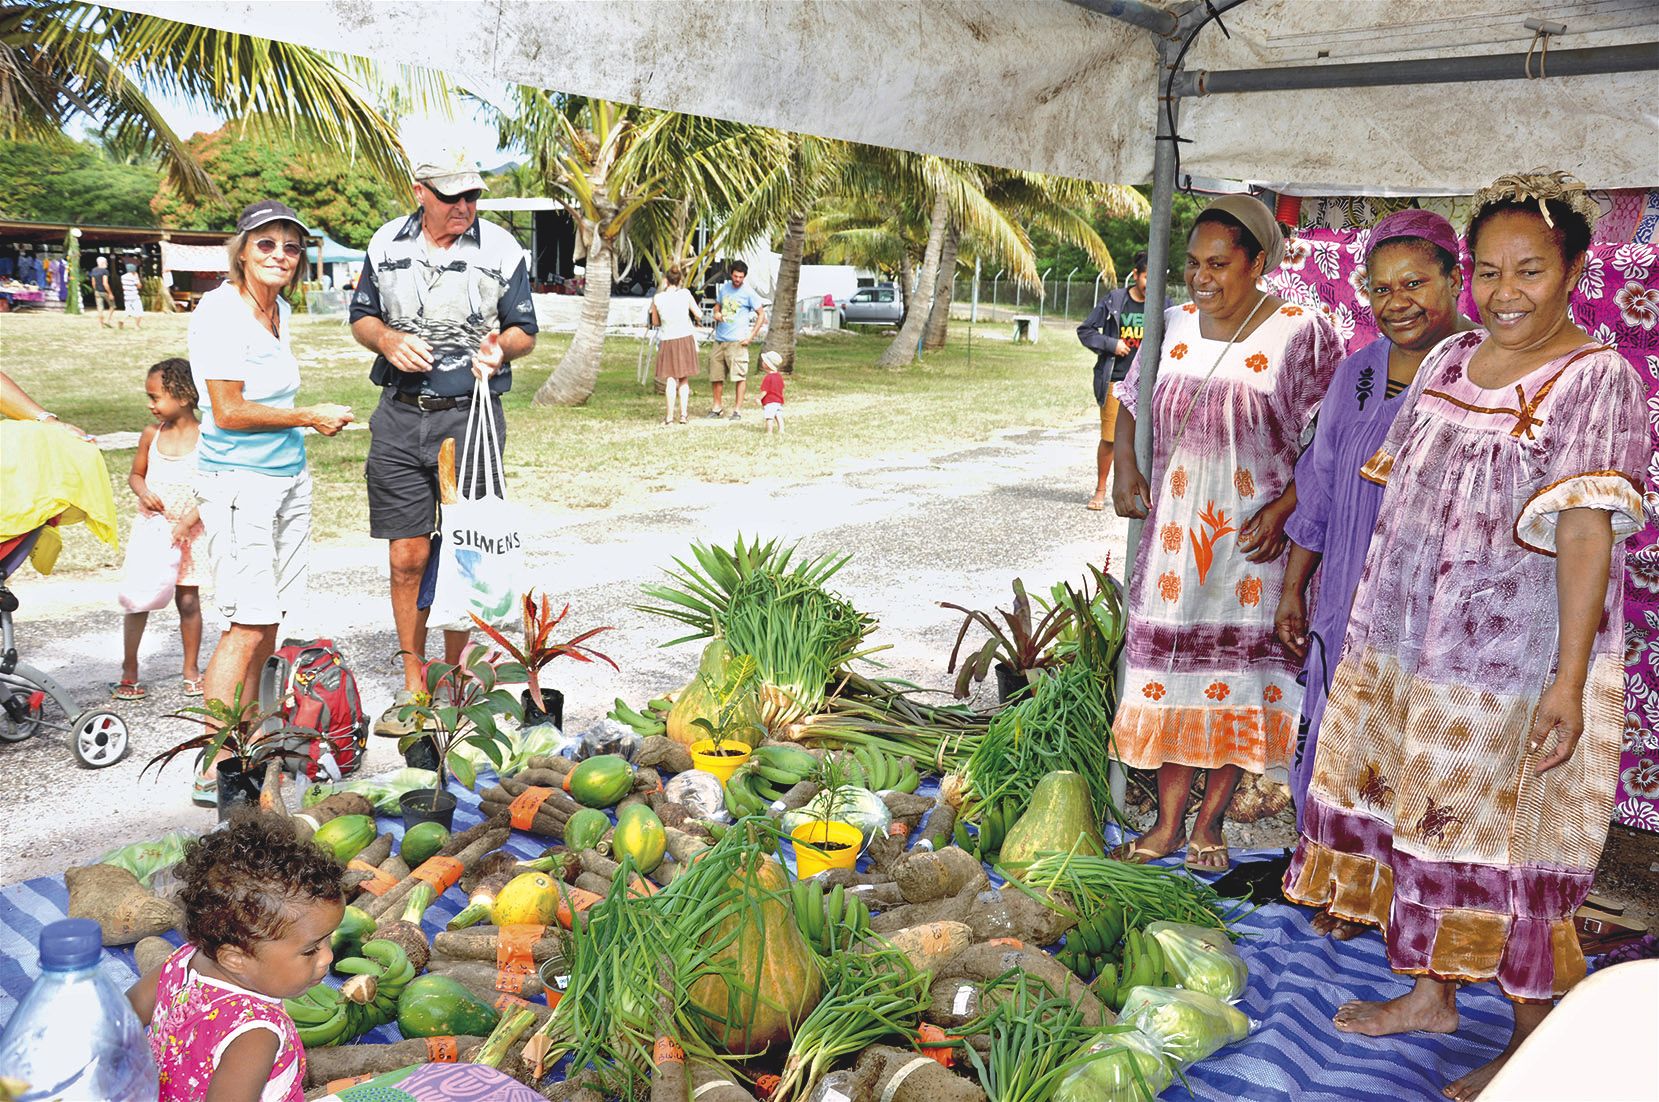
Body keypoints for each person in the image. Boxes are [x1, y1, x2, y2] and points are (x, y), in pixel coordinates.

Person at [1281, 173, 1648, 1102]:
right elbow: (1407, 500)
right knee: (1424, 819)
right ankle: (1431, 997)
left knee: (1509, 847)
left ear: (1573, 268)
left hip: (1513, 666)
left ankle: (1532, 1045)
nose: (1504, 293)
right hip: (1410, 647)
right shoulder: (1447, 363)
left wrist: (1566, 683)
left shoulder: (1595, 378)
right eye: (1487, 272)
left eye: (1529, 270)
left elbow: (1582, 533)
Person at [1110, 193, 1342, 871]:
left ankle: (1208, 825)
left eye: (1218, 263)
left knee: (1235, 680)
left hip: (1251, 545)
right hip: (1172, 543)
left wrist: (1285, 509)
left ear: (1258, 263)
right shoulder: (1170, 323)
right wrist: (1124, 464)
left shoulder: (1301, 331)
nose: (1201, 278)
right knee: (1171, 681)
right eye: (1192, 263)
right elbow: (1128, 402)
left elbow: (1328, 440)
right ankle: (1164, 825)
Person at [1272, 210, 1474, 943]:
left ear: (1455, 281)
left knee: (1408, 750)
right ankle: (1339, 883)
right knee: (1335, 742)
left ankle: (1403, 896)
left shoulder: (1478, 371)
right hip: (1342, 605)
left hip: (1428, 612)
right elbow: (1319, 484)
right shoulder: (1357, 370)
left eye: (1414, 283)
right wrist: (1295, 587)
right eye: (1380, 287)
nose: (1396, 302)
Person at [349, 152, 538, 733]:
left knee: (470, 549)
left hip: (471, 420)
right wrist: (384, 340)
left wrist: (501, 347)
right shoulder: (385, 243)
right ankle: (414, 681)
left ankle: (457, 678)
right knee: (407, 555)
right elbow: (361, 316)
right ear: (420, 192)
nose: (464, 208)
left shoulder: (502, 249)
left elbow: (524, 329)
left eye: (472, 197)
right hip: (401, 417)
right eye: (452, 197)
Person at [189, 200, 353, 804]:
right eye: (266, 244)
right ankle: (216, 762)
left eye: (291, 245)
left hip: (286, 478)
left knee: (272, 619)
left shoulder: (277, 307)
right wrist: (307, 416)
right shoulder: (220, 312)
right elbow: (228, 411)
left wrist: (298, 431)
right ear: (241, 249)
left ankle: (251, 739)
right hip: (239, 484)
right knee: (245, 623)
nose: (280, 255)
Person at [128, 813, 344, 1101]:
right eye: (310, 950)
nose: (327, 957)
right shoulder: (255, 1033)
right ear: (235, 959)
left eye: (328, 940)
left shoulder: (182, 961)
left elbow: (123, 1014)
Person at [115, 359, 205, 703]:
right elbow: (135, 475)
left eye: (155, 397)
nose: (150, 405)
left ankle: (190, 670)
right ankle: (129, 669)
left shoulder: (207, 437)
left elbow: (213, 486)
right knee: (139, 600)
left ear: (183, 395)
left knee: (188, 601)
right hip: (154, 533)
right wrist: (143, 491)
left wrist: (188, 522)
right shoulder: (151, 435)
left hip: (190, 534)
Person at [1077, 251, 1161, 510]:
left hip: (1151, 384)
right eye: (1147, 276)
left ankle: (1146, 492)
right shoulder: (1115, 301)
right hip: (1117, 380)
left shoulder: (1163, 303)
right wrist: (1111, 344)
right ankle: (1101, 489)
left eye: (1156, 278)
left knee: (1150, 441)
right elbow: (1086, 330)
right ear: (1135, 275)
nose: (1151, 283)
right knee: (1111, 439)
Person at [706, 260, 766, 420]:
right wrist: (716, 313)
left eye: (740, 277)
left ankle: (737, 410)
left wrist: (751, 337)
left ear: (744, 277)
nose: (737, 279)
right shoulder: (725, 288)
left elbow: (761, 314)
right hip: (719, 340)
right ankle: (717, 407)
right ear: (731, 274)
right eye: (735, 276)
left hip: (738, 341)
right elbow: (717, 306)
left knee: (739, 376)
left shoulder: (749, 293)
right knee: (716, 375)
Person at [651, 263, 702, 424]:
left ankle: (669, 417)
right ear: (680, 281)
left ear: (666, 280)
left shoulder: (658, 298)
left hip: (668, 339)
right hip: (685, 337)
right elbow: (699, 314)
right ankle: (684, 415)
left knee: (671, 379)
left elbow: (655, 321)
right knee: (684, 379)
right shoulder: (685, 294)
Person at [757, 349, 786, 434]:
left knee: (769, 417)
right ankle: (781, 429)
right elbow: (781, 388)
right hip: (778, 401)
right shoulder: (779, 376)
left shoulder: (768, 377)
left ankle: (769, 431)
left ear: (766, 365)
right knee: (778, 416)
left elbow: (764, 391)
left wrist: (759, 399)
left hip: (770, 401)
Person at [119, 261, 144, 331]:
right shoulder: (133, 277)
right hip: (134, 296)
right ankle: (137, 326)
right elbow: (139, 286)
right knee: (139, 311)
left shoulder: (123, 277)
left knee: (128, 310)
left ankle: (122, 320)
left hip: (127, 296)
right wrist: (137, 278)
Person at [91, 257, 114, 328]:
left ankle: (101, 325)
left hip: (97, 291)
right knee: (112, 306)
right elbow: (105, 283)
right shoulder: (105, 271)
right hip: (104, 292)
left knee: (100, 309)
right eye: (105, 262)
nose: (106, 263)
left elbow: (93, 282)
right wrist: (110, 293)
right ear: (102, 263)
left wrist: (95, 290)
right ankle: (107, 320)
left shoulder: (94, 270)